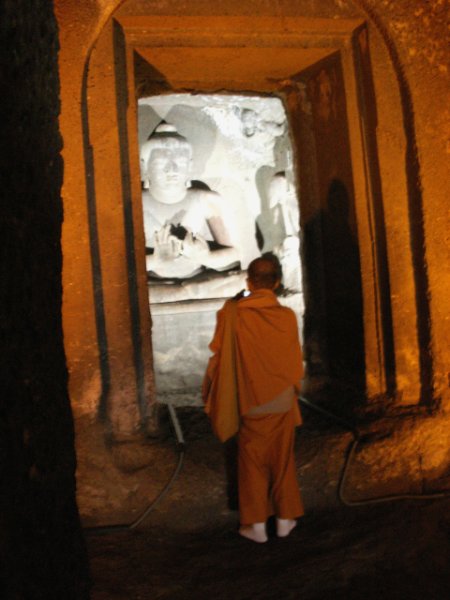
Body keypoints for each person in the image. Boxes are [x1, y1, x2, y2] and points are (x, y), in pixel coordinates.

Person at [203, 256, 304, 543]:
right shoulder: (287, 316)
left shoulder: (234, 314)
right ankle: (285, 520)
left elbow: (219, 351)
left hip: (250, 400)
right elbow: (294, 361)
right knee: (282, 460)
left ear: (249, 282)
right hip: (282, 398)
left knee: (252, 463)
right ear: (278, 282)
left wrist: (235, 303)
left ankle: (257, 526)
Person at [140, 123, 240, 279]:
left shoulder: (207, 199)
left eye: (180, 163)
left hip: (199, 278)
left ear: (190, 166)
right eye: (160, 163)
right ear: (145, 166)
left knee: (241, 279)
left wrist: (206, 257)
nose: (172, 170)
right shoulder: (135, 204)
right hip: (153, 281)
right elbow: (116, 262)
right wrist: (155, 260)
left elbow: (236, 253)